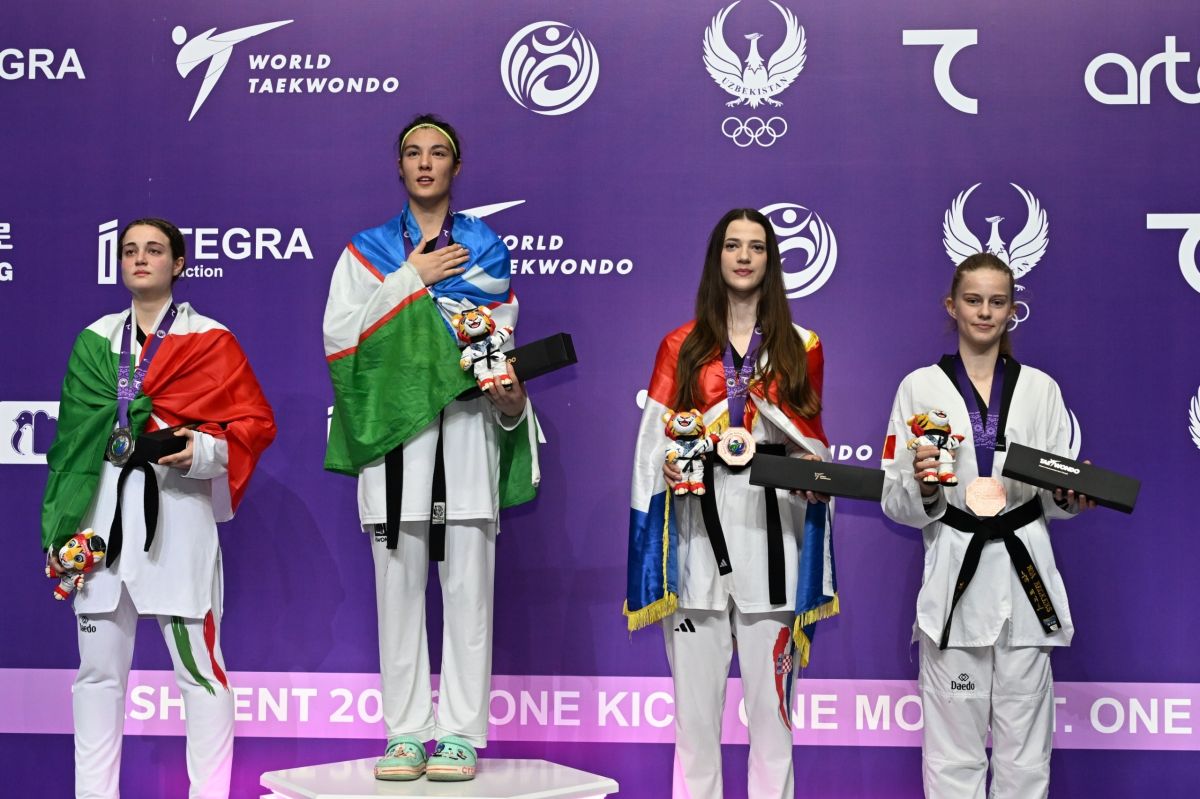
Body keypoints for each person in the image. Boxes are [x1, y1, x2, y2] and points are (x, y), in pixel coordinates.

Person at [322, 114, 539, 782]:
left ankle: (461, 734)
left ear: (455, 167)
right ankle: (407, 732)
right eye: (412, 152)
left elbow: (489, 340)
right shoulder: (365, 253)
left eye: (437, 152)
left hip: (465, 435)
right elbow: (343, 339)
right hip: (395, 442)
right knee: (398, 591)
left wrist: (506, 391)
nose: (424, 162)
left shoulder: (486, 249)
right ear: (399, 166)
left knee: (470, 592)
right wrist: (410, 279)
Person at [41, 217, 276, 799]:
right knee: (97, 678)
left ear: (179, 264)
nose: (140, 259)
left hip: (178, 525)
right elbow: (71, 445)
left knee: (201, 675)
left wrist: (200, 452)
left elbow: (251, 428)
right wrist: (62, 528)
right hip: (99, 530)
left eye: (153, 249)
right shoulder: (95, 340)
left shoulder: (211, 339)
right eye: (129, 250)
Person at [624, 208, 838, 799]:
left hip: (774, 547)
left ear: (771, 261)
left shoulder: (802, 346)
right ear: (717, 257)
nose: (744, 256)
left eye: (757, 247)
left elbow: (812, 438)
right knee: (694, 726)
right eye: (733, 245)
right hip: (696, 544)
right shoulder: (681, 345)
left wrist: (810, 468)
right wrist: (668, 465)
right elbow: (654, 444)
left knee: (773, 723)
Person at [880, 252, 1095, 799]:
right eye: (973, 300)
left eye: (997, 302)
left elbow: (1056, 494)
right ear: (951, 306)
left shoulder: (1042, 389)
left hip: (1025, 581)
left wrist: (1070, 496)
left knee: (1026, 758)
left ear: (1012, 310)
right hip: (955, 581)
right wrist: (927, 489)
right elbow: (894, 499)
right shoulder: (918, 387)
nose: (984, 312)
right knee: (953, 758)